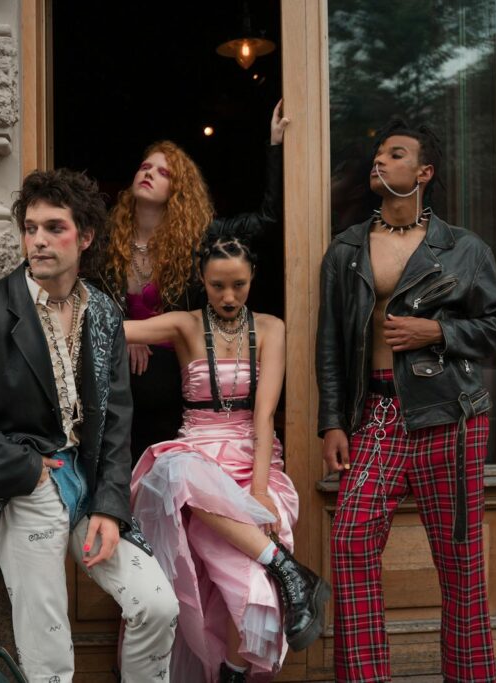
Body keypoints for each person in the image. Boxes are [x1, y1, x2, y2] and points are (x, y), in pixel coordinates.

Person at [0, 168, 179, 683]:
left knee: (157, 606)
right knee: (49, 645)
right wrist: (26, 468)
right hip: (26, 486)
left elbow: (115, 422)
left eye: (54, 228)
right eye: (30, 227)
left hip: (89, 487)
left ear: (84, 237)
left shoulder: (104, 314)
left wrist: (110, 506)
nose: (38, 240)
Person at [317, 119, 496, 682]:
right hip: (378, 414)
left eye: (396, 154)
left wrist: (440, 334)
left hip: (450, 417)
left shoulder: (462, 248)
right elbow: (330, 342)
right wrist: (333, 421)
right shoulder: (348, 249)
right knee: (352, 539)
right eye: (378, 153)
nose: (380, 160)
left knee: (459, 563)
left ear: (423, 172)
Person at [125, 222, 329, 683]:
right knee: (170, 467)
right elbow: (112, 328)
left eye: (239, 284)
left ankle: (236, 670)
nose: (229, 296)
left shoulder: (272, 328)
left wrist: (258, 491)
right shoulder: (184, 323)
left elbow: (264, 415)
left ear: (253, 276)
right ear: (203, 279)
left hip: (254, 461)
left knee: (250, 586)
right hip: (197, 461)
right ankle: (289, 570)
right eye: (218, 286)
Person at [97, 101, 290, 463]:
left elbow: (267, 220)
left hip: (175, 377)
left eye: (163, 172)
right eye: (145, 166)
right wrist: (129, 334)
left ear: (178, 190)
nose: (149, 174)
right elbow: (87, 292)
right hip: (119, 371)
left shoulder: (199, 238)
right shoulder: (108, 238)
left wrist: (276, 145)